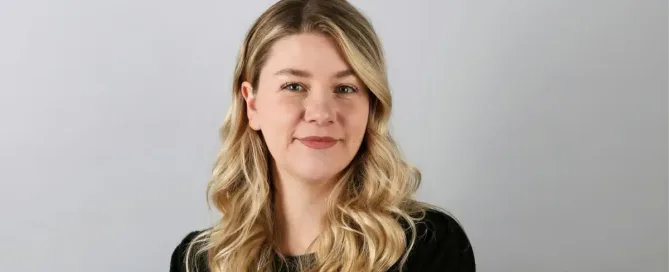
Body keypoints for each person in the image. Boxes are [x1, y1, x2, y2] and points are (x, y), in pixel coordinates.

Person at [170, 0, 475, 271]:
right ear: (252, 104)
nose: (320, 112)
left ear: (371, 105)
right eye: (294, 86)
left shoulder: (428, 246)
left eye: (345, 89)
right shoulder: (198, 261)